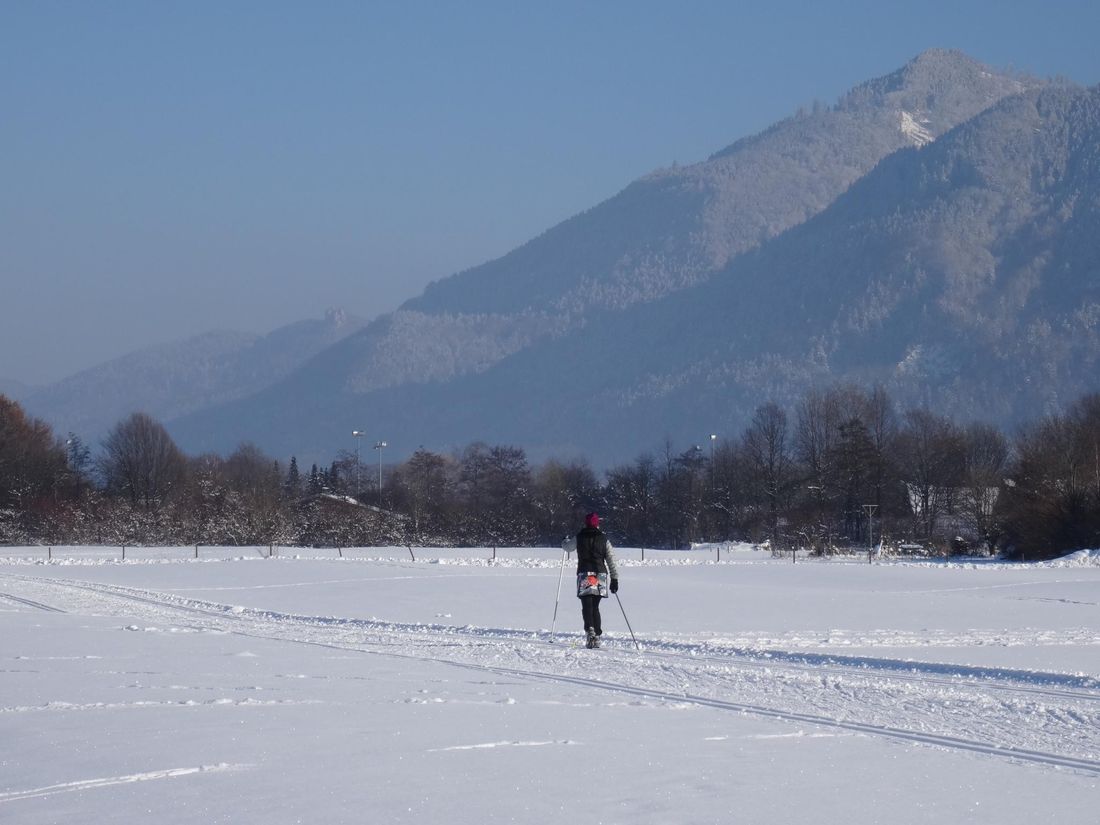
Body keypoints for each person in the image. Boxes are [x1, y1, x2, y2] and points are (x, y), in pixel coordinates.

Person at [567, 512, 619, 649]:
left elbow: (568, 547)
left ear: (585, 523)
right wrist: (614, 578)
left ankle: (589, 629)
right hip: (599, 574)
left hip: (585, 574)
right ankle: (597, 635)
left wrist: (564, 541)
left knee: (587, 605)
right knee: (595, 606)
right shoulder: (604, 539)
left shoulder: (579, 537)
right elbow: (611, 559)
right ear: (597, 524)